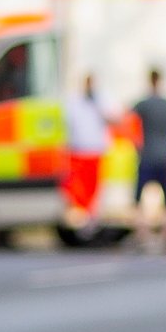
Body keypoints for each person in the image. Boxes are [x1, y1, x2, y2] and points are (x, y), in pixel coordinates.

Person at [130, 69, 166, 252]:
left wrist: (135, 144)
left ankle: (142, 236)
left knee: (139, 200)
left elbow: (127, 120)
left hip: (147, 156)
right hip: (165, 157)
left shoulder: (144, 104)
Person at [62, 73, 110, 241]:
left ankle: (91, 222)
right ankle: (81, 221)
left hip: (95, 151)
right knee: (78, 189)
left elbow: (112, 118)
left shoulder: (101, 100)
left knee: (93, 189)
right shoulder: (75, 101)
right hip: (78, 151)